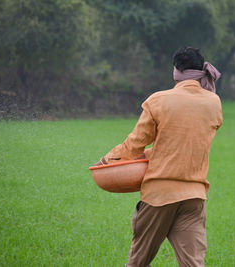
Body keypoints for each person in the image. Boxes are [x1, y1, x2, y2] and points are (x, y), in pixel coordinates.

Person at [95, 47, 223, 267]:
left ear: (177, 70)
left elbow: (134, 145)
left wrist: (108, 160)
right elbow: (186, 142)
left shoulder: (159, 100)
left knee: (138, 263)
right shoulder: (214, 103)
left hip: (159, 197)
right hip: (194, 196)